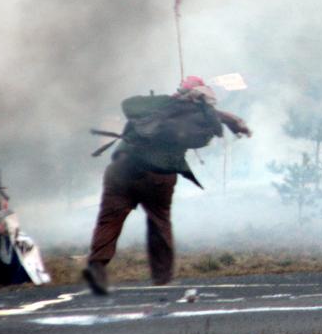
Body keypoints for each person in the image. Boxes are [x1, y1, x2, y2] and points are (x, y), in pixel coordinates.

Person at [83, 76, 251, 295]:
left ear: (182, 91)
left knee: (110, 220)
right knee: (159, 223)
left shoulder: (161, 105)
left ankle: (97, 265)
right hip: (159, 177)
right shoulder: (202, 119)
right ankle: (161, 279)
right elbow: (207, 134)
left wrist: (171, 99)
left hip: (123, 169)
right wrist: (226, 117)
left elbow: (129, 104)